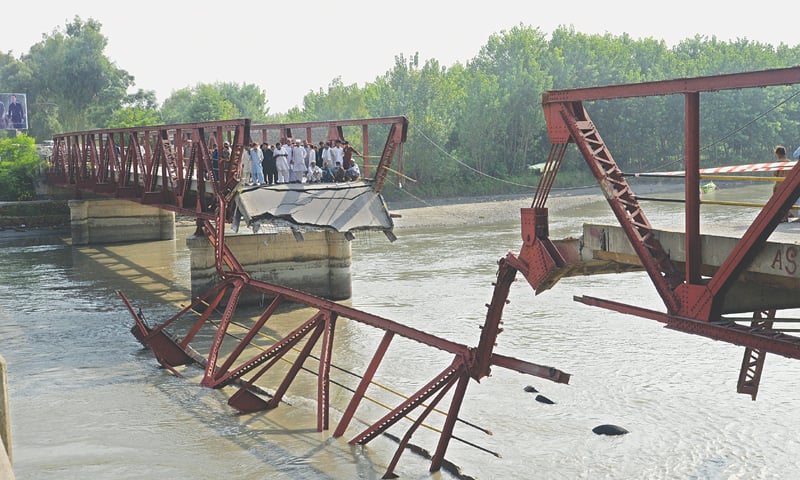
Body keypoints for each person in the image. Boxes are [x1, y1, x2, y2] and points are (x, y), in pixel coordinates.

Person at [772, 145, 793, 222]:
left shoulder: (778, 163)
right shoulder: (790, 162)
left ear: (778, 154)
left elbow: (775, 174)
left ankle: (780, 217)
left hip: (779, 185)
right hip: (788, 186)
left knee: (777, 202)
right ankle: (786, 217)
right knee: (786, 202)